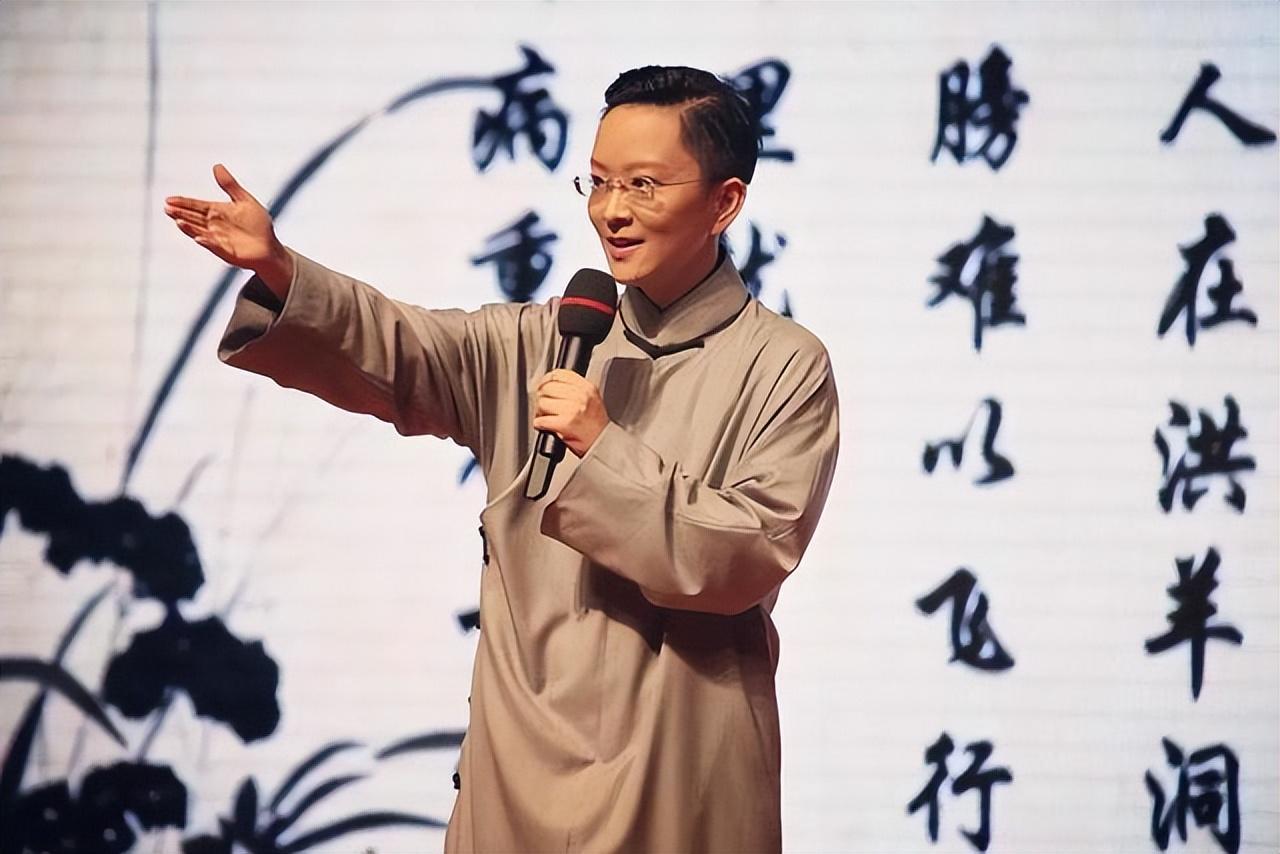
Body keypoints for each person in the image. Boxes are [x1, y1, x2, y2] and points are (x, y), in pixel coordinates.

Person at [165, 65, 839, 853]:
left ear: (725, 202)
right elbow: (404, 346)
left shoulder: (784, 364)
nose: (612, 210)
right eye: (598, 182)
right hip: (520, 764)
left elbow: (749, 551)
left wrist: (603, 449)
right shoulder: (541, 340)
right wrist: (283, 268)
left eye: (644, 185)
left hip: (679, 761)